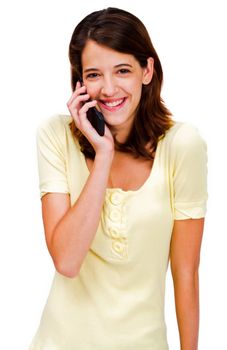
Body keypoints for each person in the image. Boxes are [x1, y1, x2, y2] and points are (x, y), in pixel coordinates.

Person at [29, 7, 208, 350]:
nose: (109, 89)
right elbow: (66, 261)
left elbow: (186, 274)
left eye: (122, 70)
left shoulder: (182, 146)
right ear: (79, 82)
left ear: (147, 70)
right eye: (94, 74)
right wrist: (103, 156)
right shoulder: (54, 136)